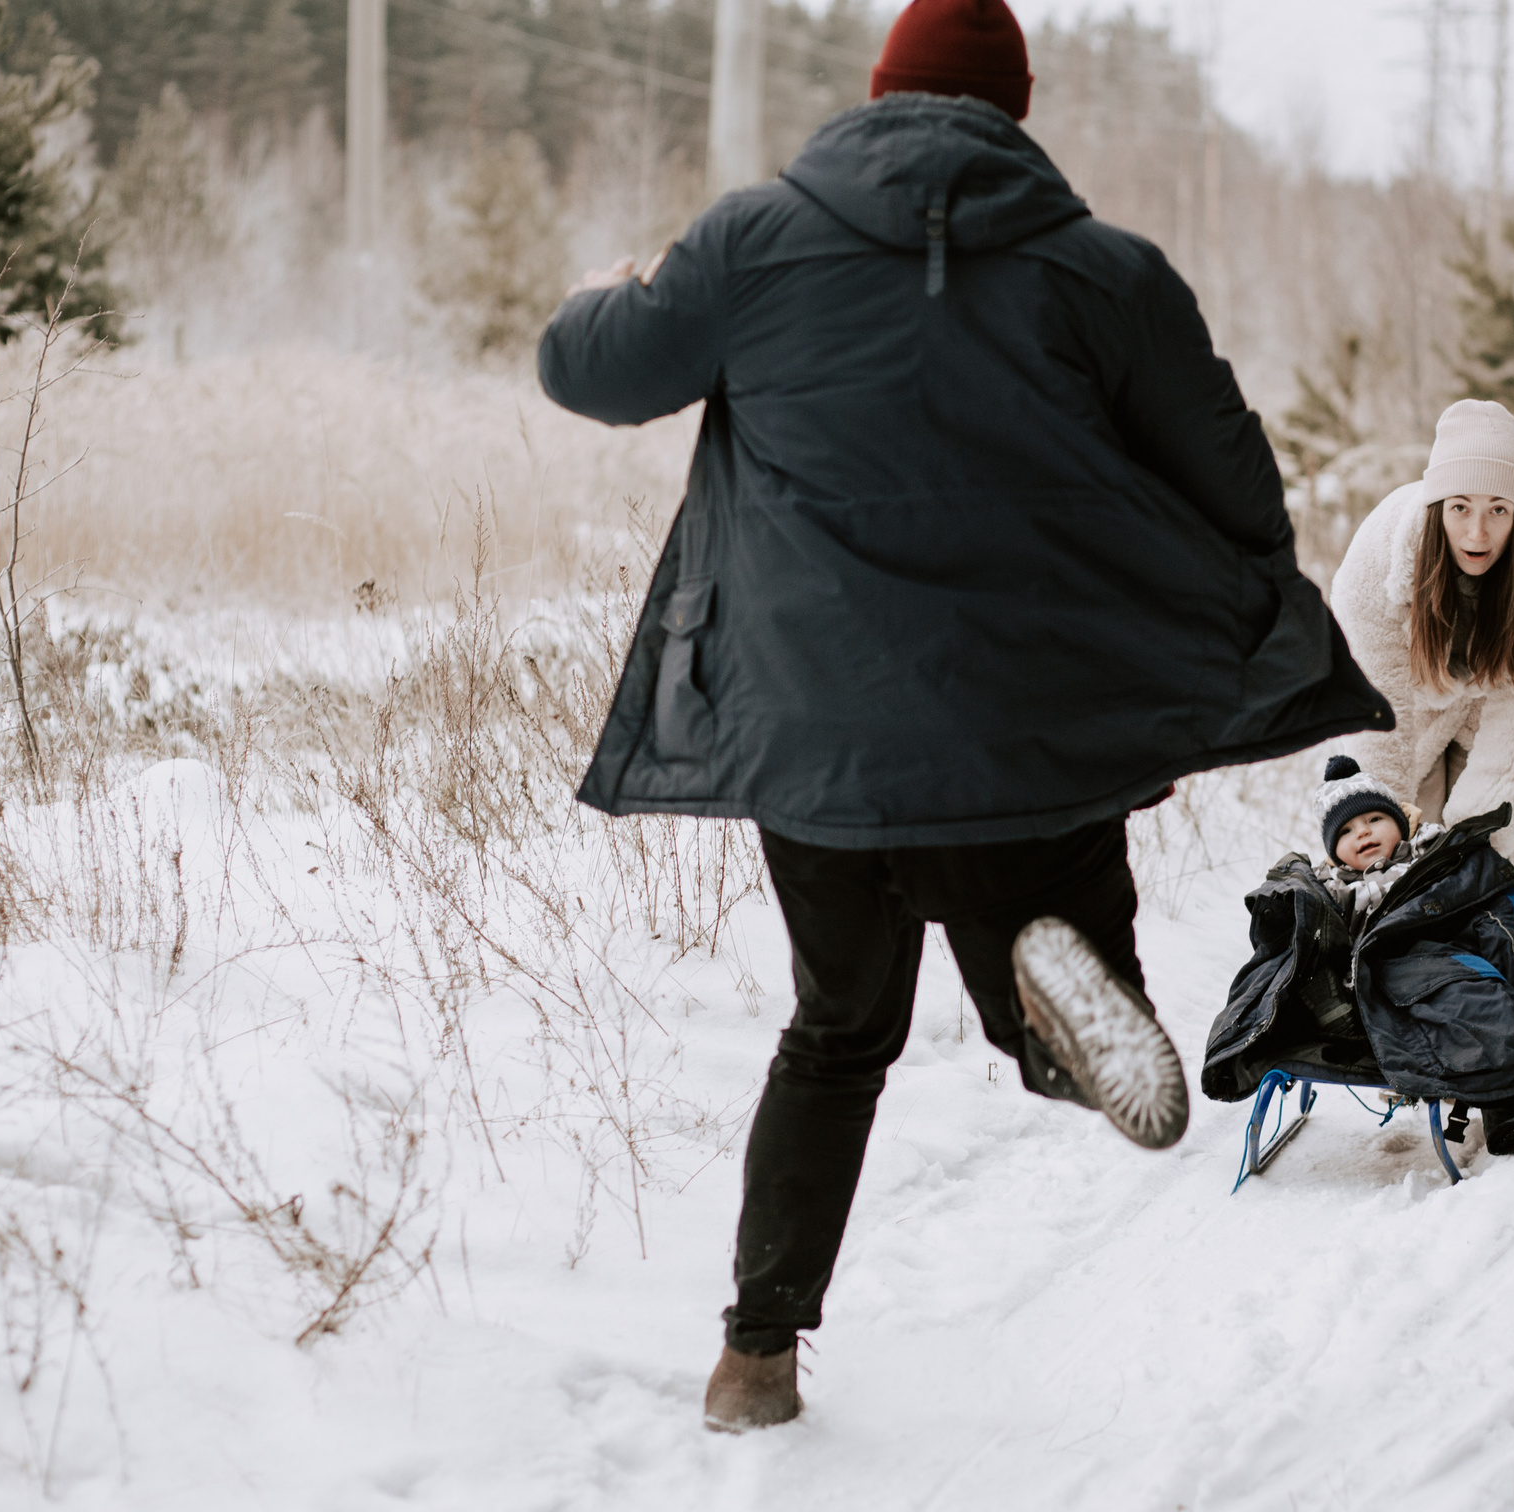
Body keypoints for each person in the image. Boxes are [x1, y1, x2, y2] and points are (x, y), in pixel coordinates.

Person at [537, 0, 1391, 1433]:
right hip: (1037, 729)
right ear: (1017, 113)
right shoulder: (1107, 275)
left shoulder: (754, 243)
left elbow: (590, 373)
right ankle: (1053, 1011)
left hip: (817, 740)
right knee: (1049, 945)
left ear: (874, 98)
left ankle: (756, 1356)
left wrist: (603, 293)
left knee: (836, 1028)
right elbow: (1243, 493)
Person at [1200, 757, 1514, 1158]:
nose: (1364, 832)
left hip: (1434, 995)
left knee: (1479, 995)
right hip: (1351, 1006)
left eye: (1375, 818)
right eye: (1347, 830)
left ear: (1402, 821)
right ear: (1333, 851)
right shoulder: (1325, 895)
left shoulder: (1447, 873)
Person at [1329, 399, 1514, 889]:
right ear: (1437, 506)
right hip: (1413, 711)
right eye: (1460, 508)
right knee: (1397, 868)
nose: (1478, 531)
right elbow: (1377, 708)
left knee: (1493, 867)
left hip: (1494, 712)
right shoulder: (1378, 557)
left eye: (1498, 509)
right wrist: (1383, 837)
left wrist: (1475, 845)